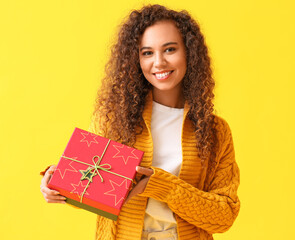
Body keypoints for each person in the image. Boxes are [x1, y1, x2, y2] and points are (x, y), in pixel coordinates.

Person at [40, 4, 240, 240]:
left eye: (170, 49)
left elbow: (224, 216)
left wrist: (162, 185)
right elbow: (90, 188)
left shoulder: (214, 131)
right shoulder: (113, 119)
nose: (159, 62)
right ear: (135, 59)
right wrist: (55, 182)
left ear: (189, 52)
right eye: (147, 53)